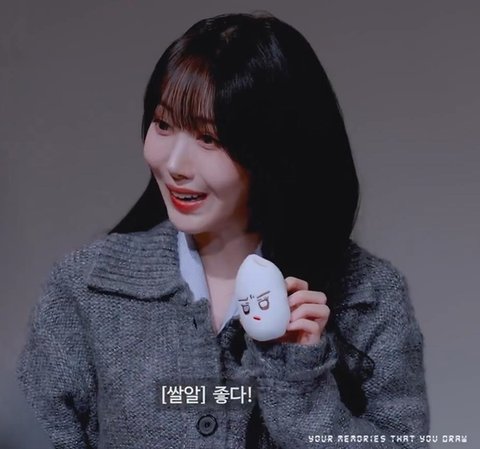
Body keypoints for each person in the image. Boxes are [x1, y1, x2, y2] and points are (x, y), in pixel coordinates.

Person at [16, 11, 430, 449]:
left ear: (274, 149)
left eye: (209, 138)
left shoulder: (367, 295)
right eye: (163, 124)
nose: (174, 164)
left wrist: (302, 380)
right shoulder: (85, 287)